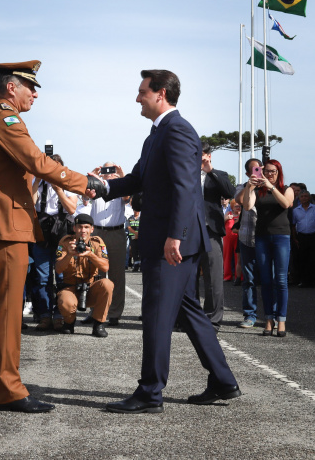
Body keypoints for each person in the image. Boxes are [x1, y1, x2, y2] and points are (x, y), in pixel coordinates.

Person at [0, 60, 101, 414]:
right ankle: (10, 389)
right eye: (30, 87)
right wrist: (85, 182)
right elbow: (37, 162)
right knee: (7, 306)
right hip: (5, 225)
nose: (35, 93)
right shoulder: (5, 118)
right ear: (9, 87)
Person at [101, 69, 239, 413]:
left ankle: (150, 393)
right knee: (188, 311)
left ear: (160, 93)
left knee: (157, 315)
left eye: (141, 92)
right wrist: (101, 186)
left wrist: (175, 236)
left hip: (172, 241)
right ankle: (223, 381)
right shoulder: (156, 135)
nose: (137, 98)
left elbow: (184, 189)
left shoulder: (177, 130)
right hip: (167, 238)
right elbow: (136, 179)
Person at [241, 159, 295, 337]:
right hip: (262, 237)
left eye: (273, 171)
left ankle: (281, 320)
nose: (270, 174)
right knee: (265, 280)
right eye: (267, 171)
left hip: (281, 236)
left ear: (279, 173)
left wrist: (272, 187)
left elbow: (286, 204)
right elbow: (247, 206)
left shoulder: (286, 189)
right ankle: (269, 319)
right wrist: (249, 187)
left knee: (280, 280)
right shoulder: (258, 190)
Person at [30, 154, 78, 330]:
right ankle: (44, 316)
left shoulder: (68, 184)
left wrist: (59, 190)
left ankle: (59, 315)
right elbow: (30, 203)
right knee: (42, 278)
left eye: (55, 167)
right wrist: (37, 182)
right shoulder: (37, 182)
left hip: (61, 236)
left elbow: (72, 208)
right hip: (41, 235)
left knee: (61, 276)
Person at [55, 213, 113, 337]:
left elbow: (105, 267)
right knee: (65, 301)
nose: (83, 231)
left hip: (91, 288)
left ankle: (98, 323)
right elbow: (58, 269)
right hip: (71, 287)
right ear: (74, 228)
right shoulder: (65, 242)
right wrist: (70, 254)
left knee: (107, 284)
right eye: (80, 227)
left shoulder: (97, 242)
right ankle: (69, 322)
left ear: (92, 229)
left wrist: (90, 255)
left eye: (86, 227)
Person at [198, 142, 235, 331]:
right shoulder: (185, 174)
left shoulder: (219, 175)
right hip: (189, 231)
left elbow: (229, 192)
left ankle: (213, 319)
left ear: (209, 155)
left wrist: (210, 170)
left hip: (211, 230)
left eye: (202, 154)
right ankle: (189, 317)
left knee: (213, 277)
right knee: (188, 277)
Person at [88, 162, 129, 327]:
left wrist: (122, 175)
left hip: (116, 232)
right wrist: (91, 176)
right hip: (97, 232)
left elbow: (127, 197)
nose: (108, 173)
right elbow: (83, 195)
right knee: (94, 273)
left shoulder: (120, 186)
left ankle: (114, 313)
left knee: (117, 274)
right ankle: (94, 312)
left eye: (112, 170)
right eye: (106, 170)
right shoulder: (96, 186)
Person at [236, 158, 261, 328]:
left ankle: (272, 316)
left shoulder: (269, 186)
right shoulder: (243, 186)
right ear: (247, 173)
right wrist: (249, 185)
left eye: (259, 169)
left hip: (266, 237)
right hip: (246, 237)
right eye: (253, 170)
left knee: (270, 279)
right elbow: (238, 200)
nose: (257, 173)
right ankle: (250, 314)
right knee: (249, 279)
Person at [290, 190, 315, 287]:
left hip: (314, 236)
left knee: (314, 259)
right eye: (302, 196)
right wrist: (295, 238)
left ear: (309, 198)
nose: (304, 198)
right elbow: (293, 225)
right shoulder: (296, 210)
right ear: (299, 198)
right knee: (302, 259)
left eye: (306, 196)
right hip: (302, 236)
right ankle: (304, 281)